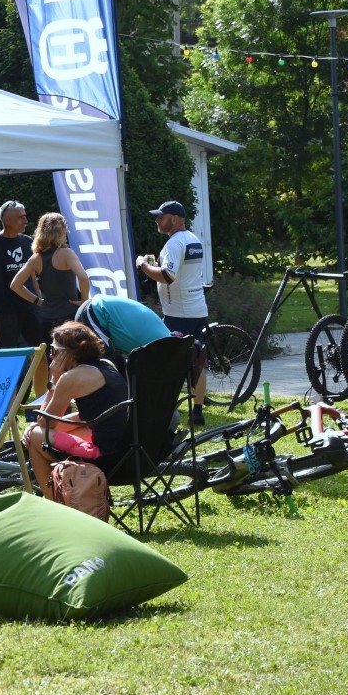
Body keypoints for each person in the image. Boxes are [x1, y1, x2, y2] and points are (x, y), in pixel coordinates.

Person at [23, 321, 130, 494]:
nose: (51, 356)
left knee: (35, 436)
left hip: (105, 457)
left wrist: (55, 380)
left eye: (54, 350)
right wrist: (38, 425)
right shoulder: (107, 365)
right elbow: (89, 416)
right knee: (42, 429)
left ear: (69, 354)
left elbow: (44, 421)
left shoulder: (71, 377)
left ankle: (54, 501)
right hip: (126, 450)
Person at [136, 201, 209, 424]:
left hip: (178, 313)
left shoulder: (174, 243)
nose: (157, 221)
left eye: (162, 217)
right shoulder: (192, 239)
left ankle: (164, 408)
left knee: (166, 361)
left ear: (175, 219)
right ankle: (197, 412)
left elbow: (168, 276)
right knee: (198, 359)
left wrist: (143, 266)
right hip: (196, 308)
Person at [10, 212, 90, 393]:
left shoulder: (36, 258)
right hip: (69, 317)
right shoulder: (66, 253)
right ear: (61, 232)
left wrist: (37, 301)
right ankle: (71, 399)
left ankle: (45, 402)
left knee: (50, 363)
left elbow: (15, 285)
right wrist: (83, 301)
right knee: (74, 361)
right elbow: (84, 277)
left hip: (45, 318)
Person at [0, 200, 39, 350]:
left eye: (25, 216)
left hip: (30, 308)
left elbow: (33, 275)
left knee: (41, 351)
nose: (26, 221)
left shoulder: (28, 242)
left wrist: (39, 300)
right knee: (7, 354)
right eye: (21, 217)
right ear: (7, 220)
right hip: (5, 312)